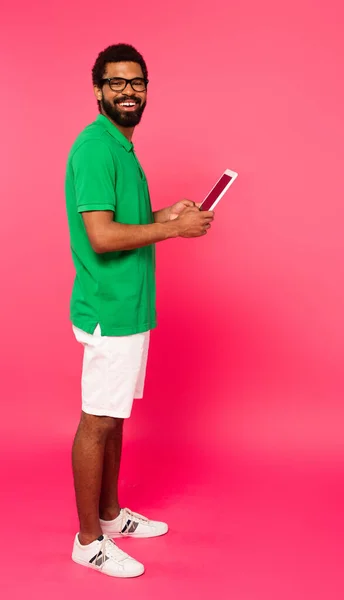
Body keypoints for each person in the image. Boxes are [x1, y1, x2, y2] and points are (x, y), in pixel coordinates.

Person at [65, 43, 214, 578]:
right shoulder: (95, 148)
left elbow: (123, 221)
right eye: (117, 82)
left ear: (146, 89)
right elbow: (102, 236)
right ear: (98, 89)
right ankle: (88, 542)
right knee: (98, 421)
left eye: (137, 82)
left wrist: (163, 213)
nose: (128, 91)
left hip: (131, 309)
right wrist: (175, 229)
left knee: (115, 418)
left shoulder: (121, 148)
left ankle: (108, 517)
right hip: (109, 308)